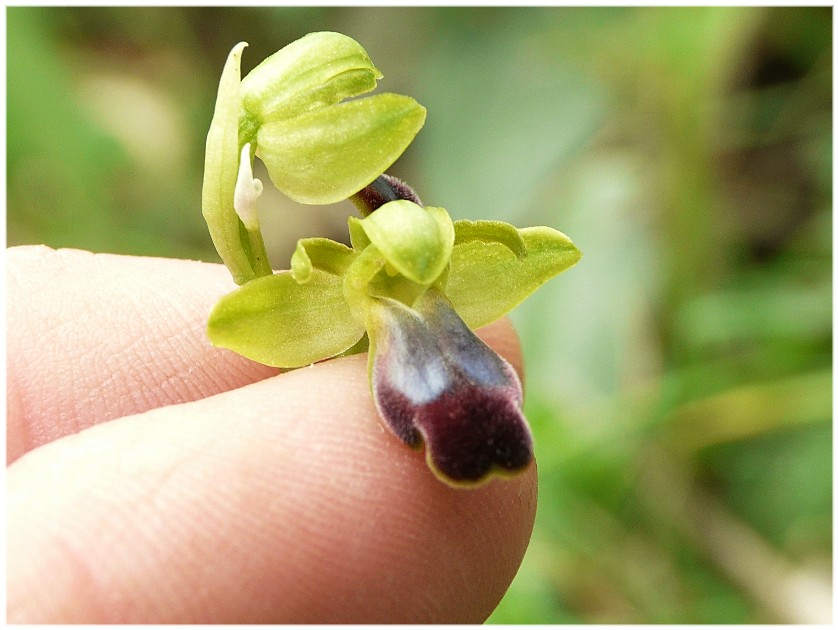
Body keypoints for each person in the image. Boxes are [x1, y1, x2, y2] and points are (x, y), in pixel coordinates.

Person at [6, 245, 537, 623]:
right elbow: (240, 324)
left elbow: (527, 258)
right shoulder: (326, 302)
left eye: (420, 269)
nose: (406, 280)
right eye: (387, 274)